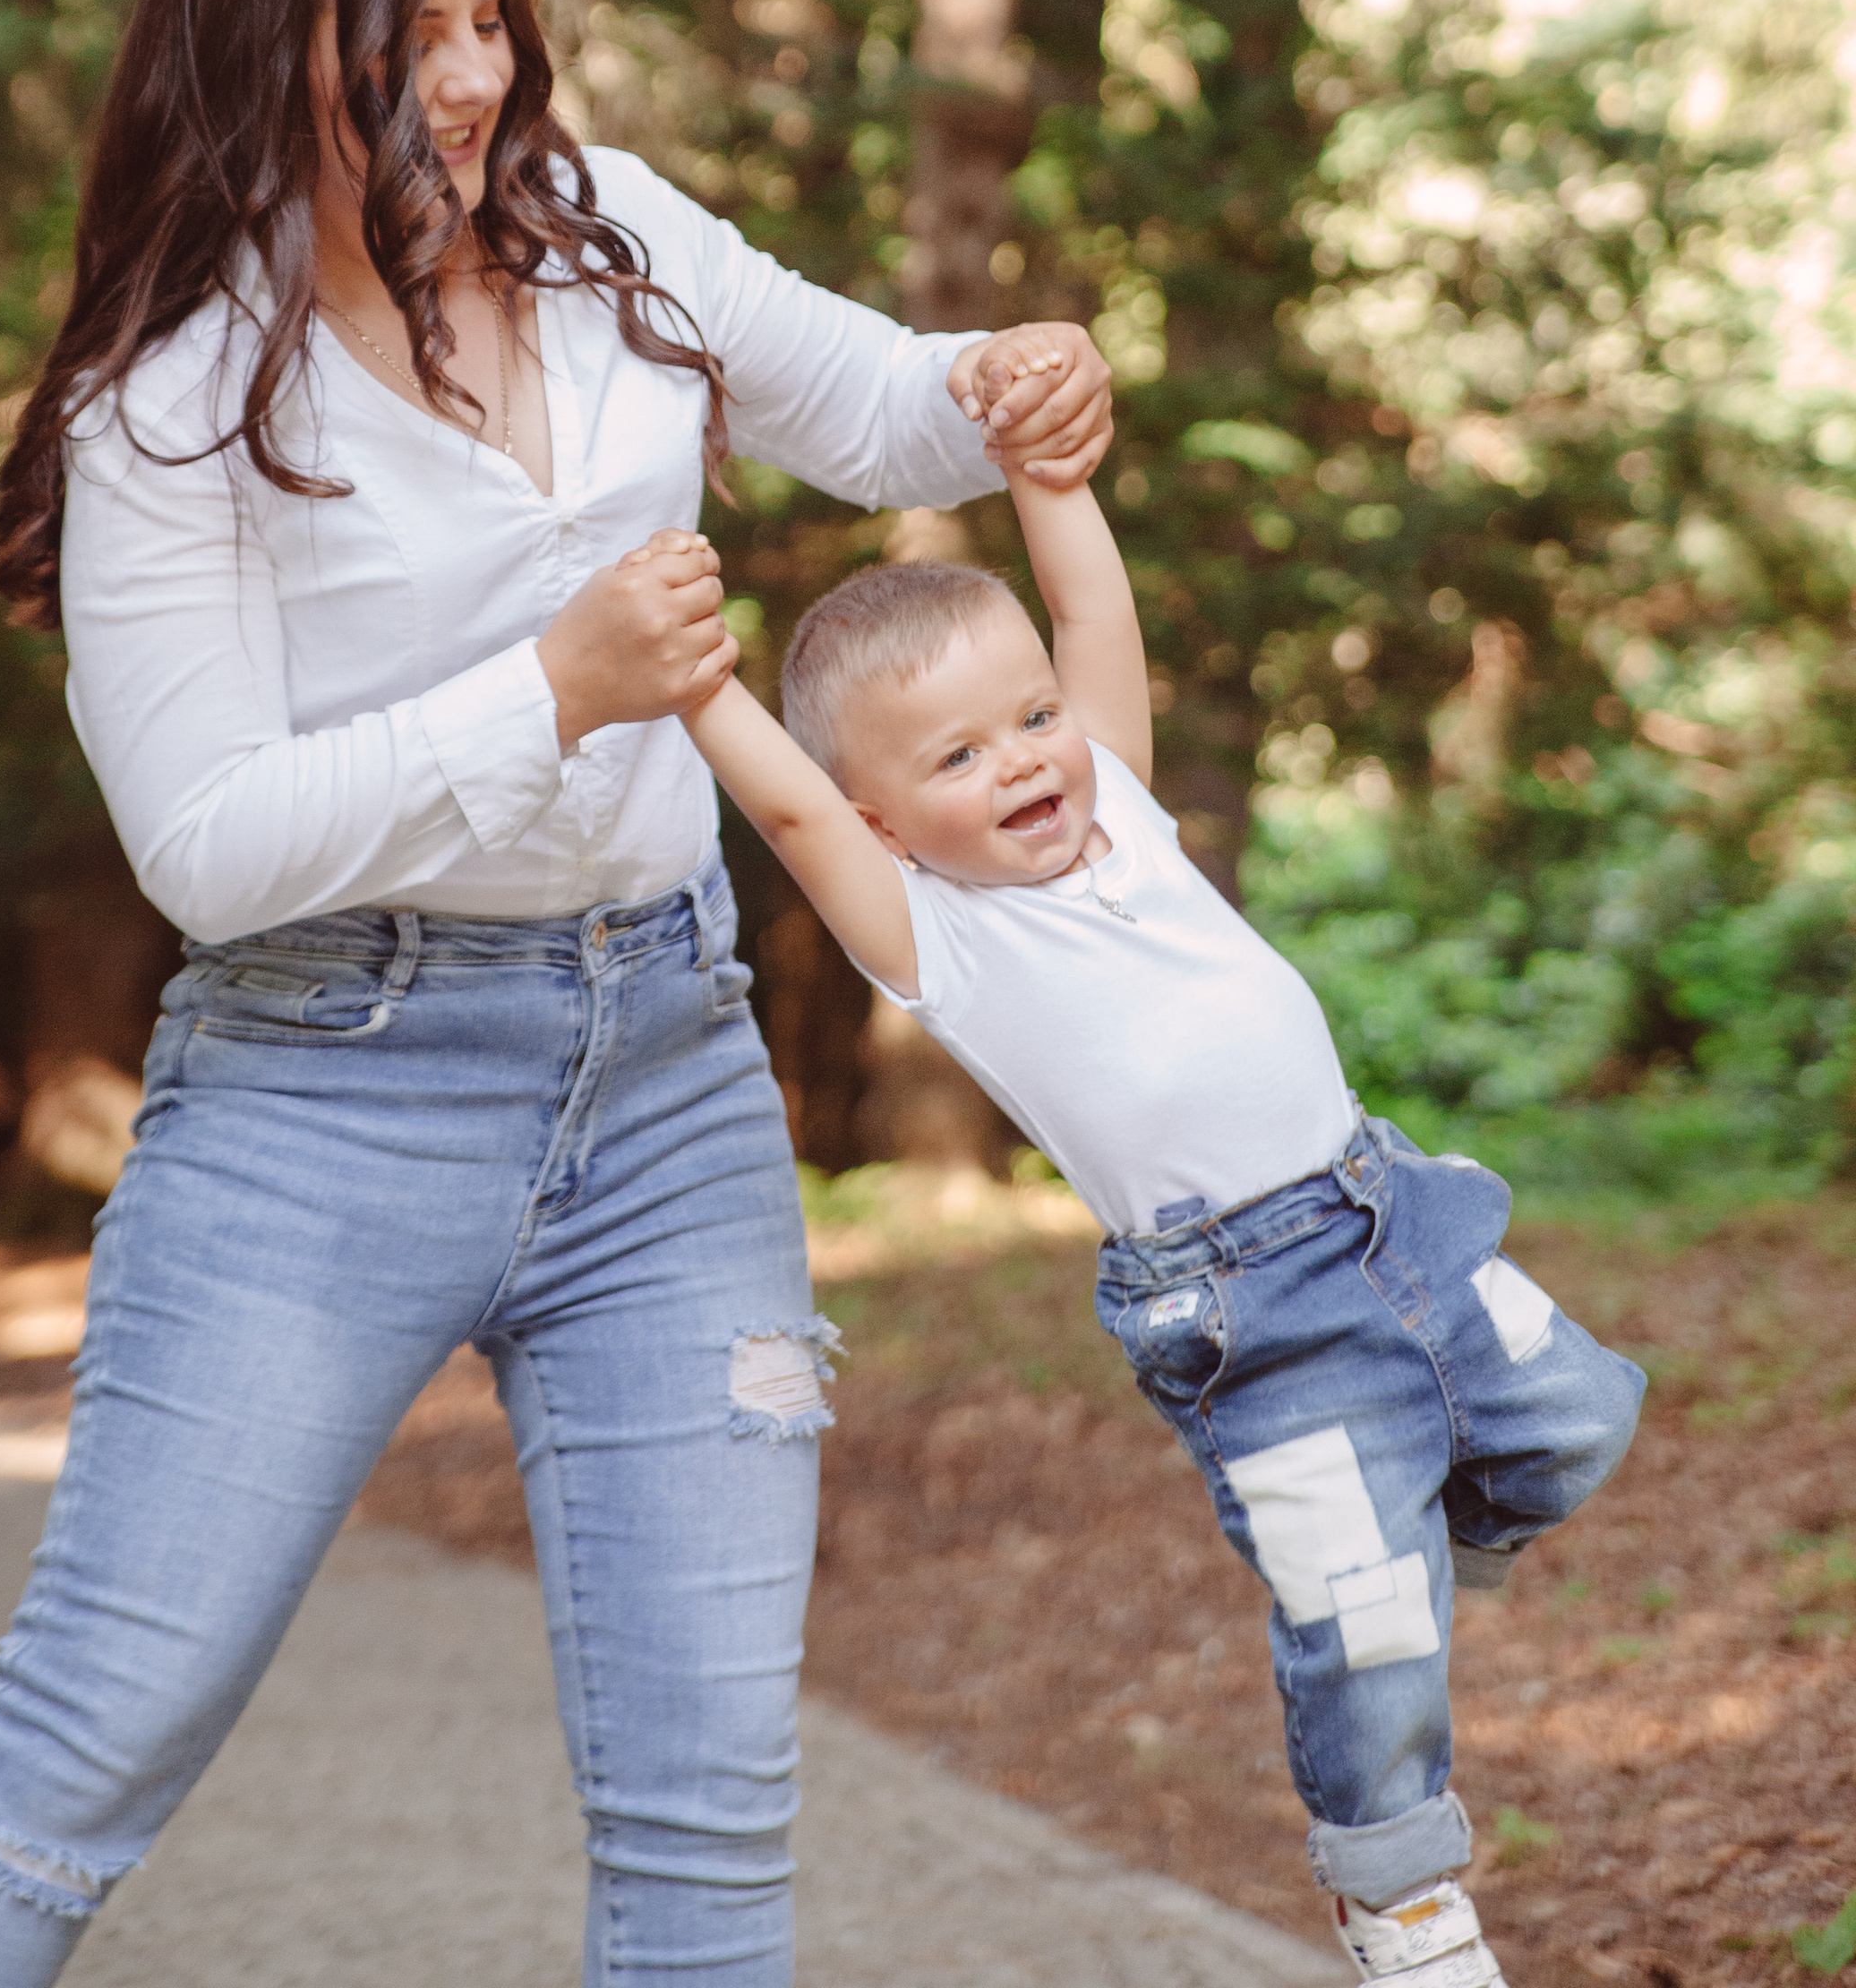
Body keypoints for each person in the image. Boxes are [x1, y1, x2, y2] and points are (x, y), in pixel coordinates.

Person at [0, 0, 1114, 1988]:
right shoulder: (174, 401)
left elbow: (886, 414)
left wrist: (1003, 380)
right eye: (407, 34)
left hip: (668, 1084)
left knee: (709, 1821)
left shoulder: (615, 237)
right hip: (326, 1092)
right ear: (257, 45)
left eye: (493, 16)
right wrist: (554, 688)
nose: (474, 79)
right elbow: (208, 848)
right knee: (80, 1753)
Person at [680, 403, 1646, 1988]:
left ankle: (1421, 1550)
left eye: (1031, 721)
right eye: (959, 757)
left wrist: (1047, 480)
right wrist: (702, 684)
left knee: (1581, 1415)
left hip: (1390, 1207)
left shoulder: (1116, 798)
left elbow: (1095, 616)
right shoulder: (942, 943)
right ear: (882, 823)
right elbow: (784, 808)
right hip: (1251, 1308)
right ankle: (1398, 1899)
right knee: (1360, 1634)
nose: (1023, 763)